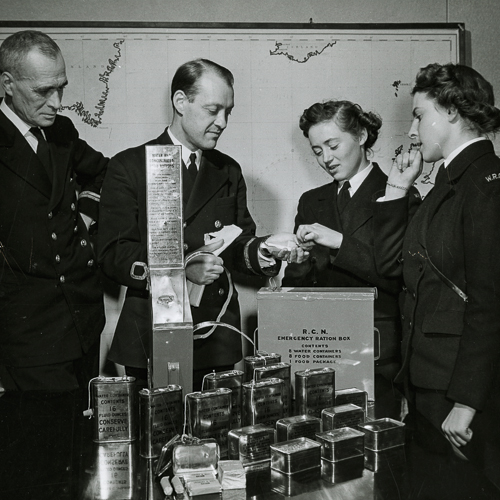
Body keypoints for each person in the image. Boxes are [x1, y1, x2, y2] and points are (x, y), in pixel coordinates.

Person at [98, 58, 306, 390]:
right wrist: (182, 269)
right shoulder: (130, 166)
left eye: (228, 111)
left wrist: (265, 248)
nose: (222, 122)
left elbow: (238, 243)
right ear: (181, 102)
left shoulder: (227, 170)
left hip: (216, 333)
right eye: (212, 110)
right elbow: (113, 254)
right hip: (151, 331)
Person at [373, 62, 500, 486]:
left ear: (451, 111)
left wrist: (466, 401)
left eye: (419, 114)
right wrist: (397, 192)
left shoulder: (486, 185)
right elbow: (396, 269)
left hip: (459, 396)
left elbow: (490, 303)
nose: (413, 129)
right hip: (430, 387)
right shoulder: (449, 181)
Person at [0, 30, 108, 496]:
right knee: (34, 465)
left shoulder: (61, 133)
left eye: (61, 87)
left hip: (81, 318)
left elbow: (105, 173)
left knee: (78, 454)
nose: (57, 101)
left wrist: (86, 208)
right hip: (25, 331)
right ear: (6, 84)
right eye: (43, 91)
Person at [285, 100, 420, 418]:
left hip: (377, 357)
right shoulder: (311, 201)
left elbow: (397, 277)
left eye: (333, 145)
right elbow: (299, 283)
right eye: (317, 151)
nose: (326, 159)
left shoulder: (398, 195)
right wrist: (292, 261)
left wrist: (339, 243)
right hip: (318, 352)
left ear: (361, 136)